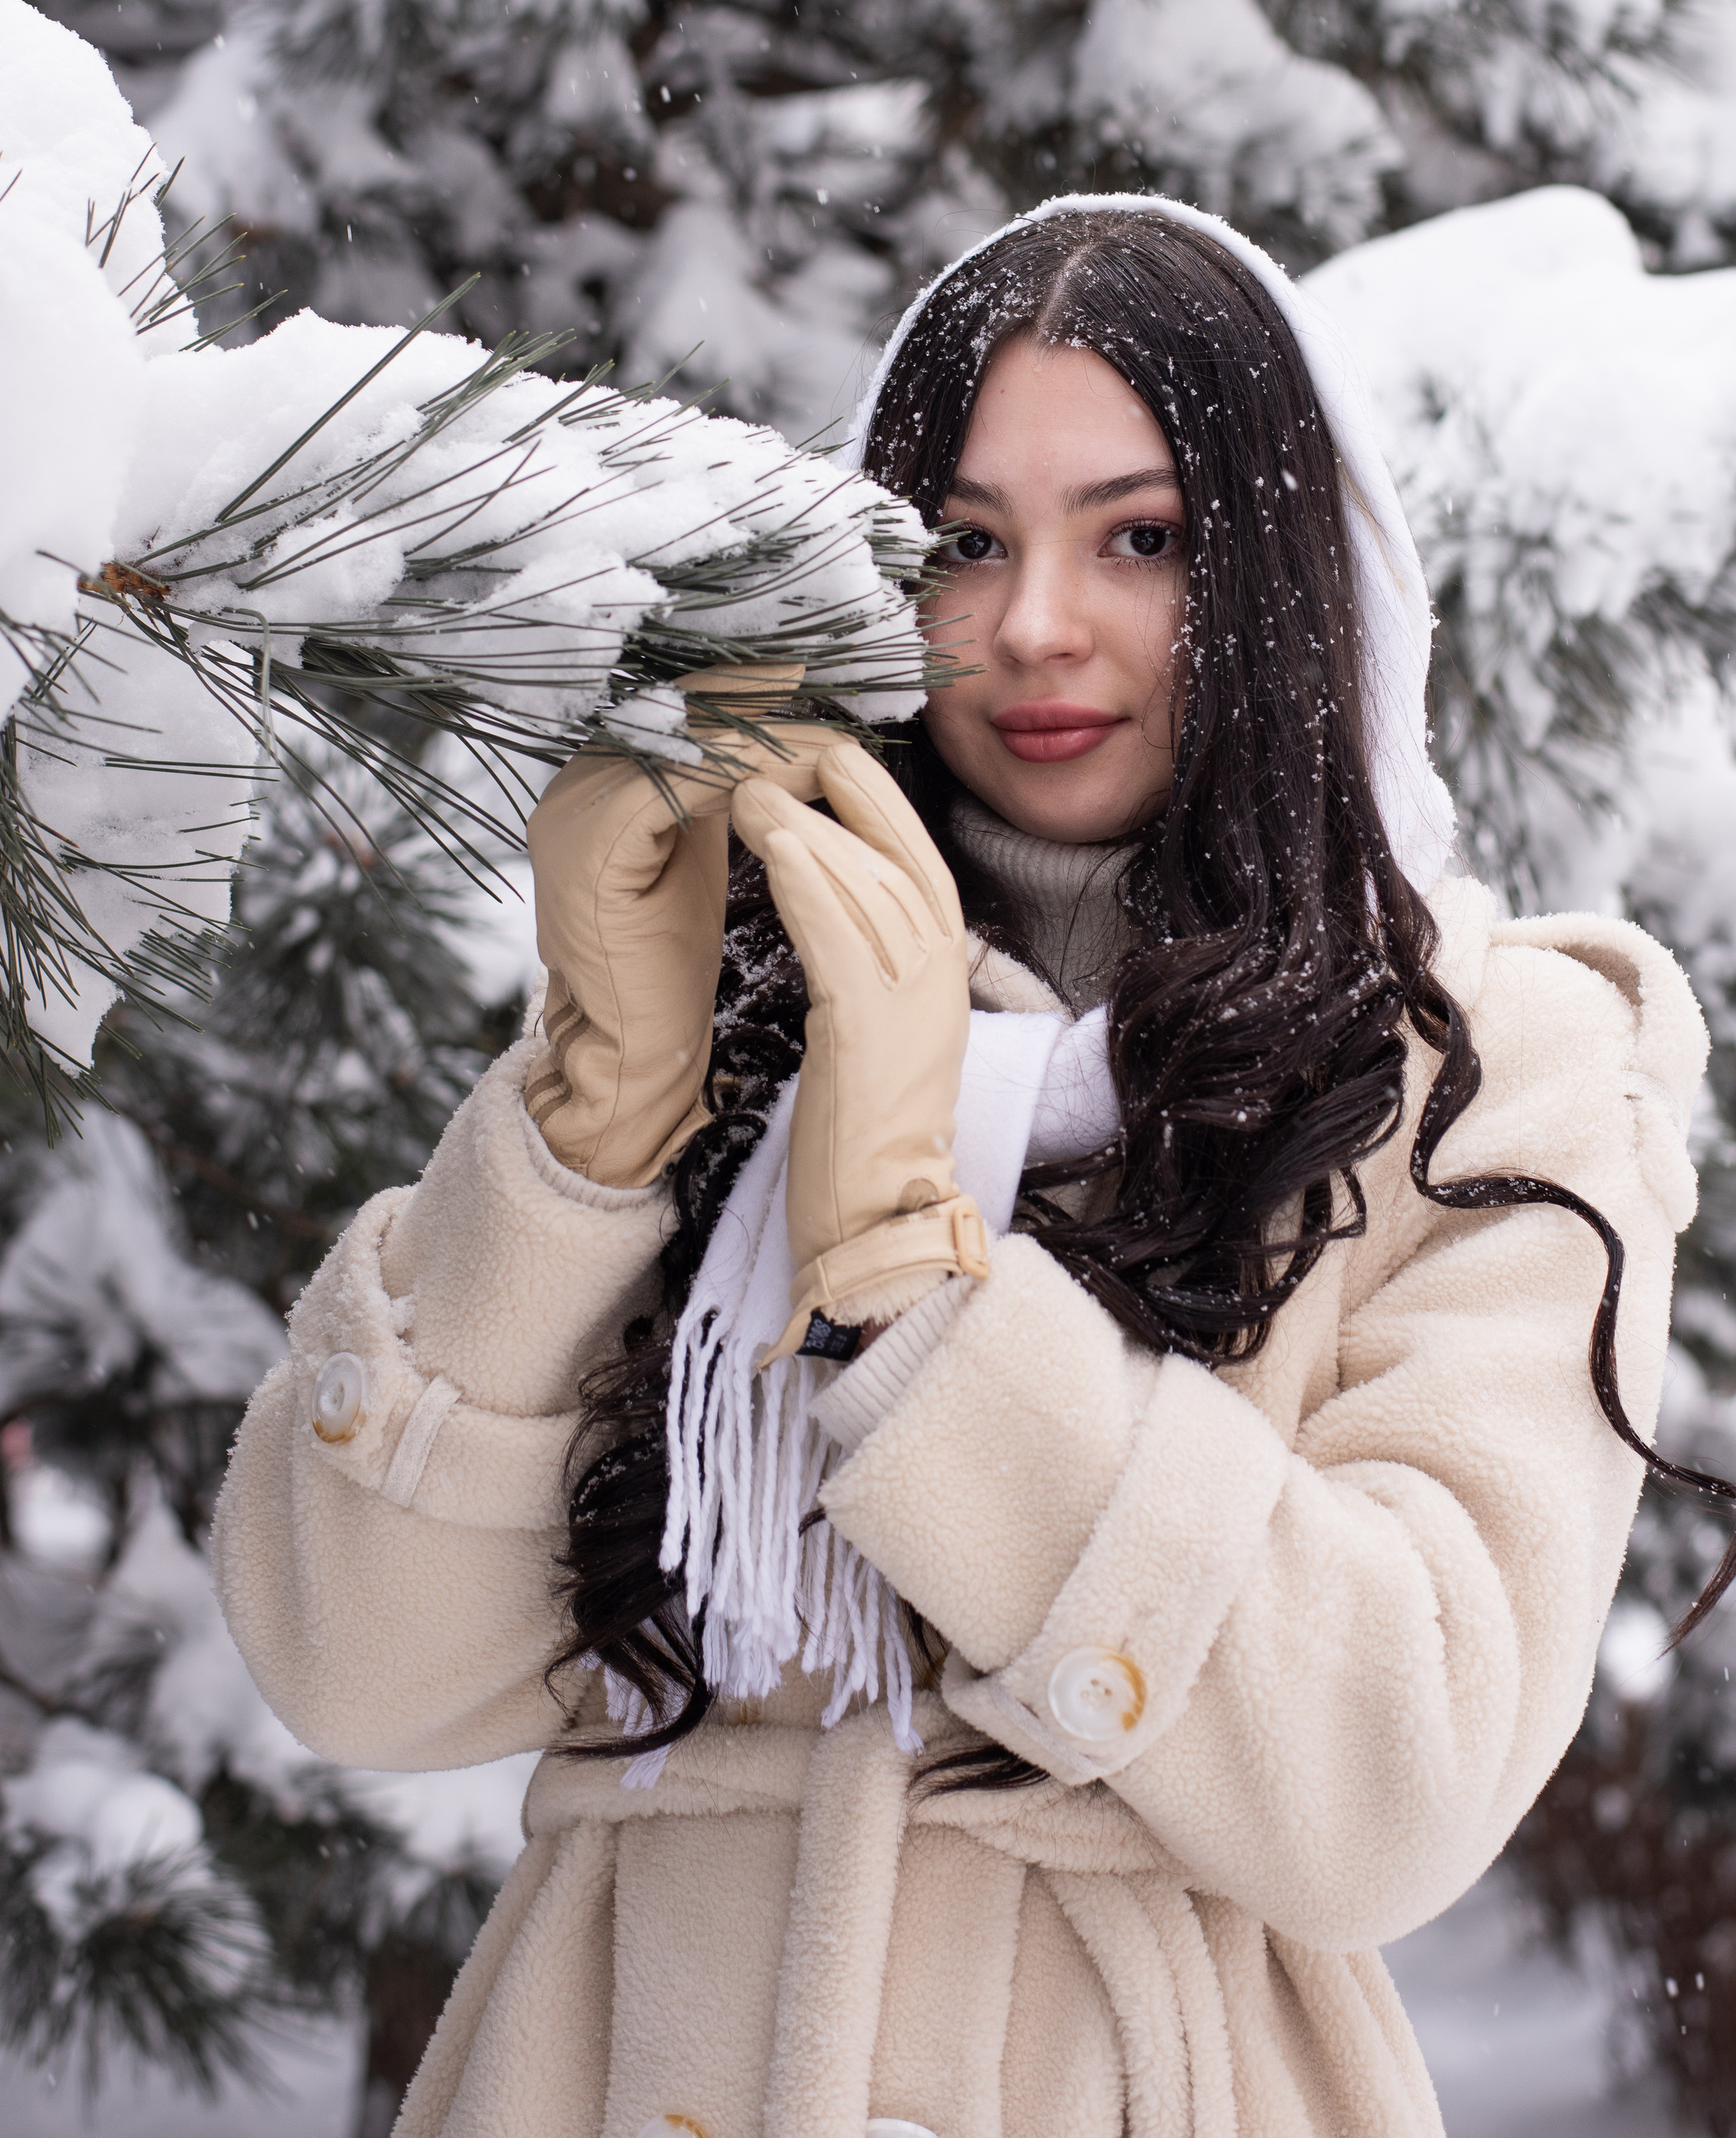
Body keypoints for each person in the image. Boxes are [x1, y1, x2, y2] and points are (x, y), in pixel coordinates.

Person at [214, 198, 1721, 2138]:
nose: (1032, 627)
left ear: (1282, 578)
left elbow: (1393, 1775)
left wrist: (929, 1281)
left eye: (1142, 537)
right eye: (964, 544)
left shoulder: (1481, 1071)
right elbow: (351, 1670)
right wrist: (586, 1137)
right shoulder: (722, 1011)